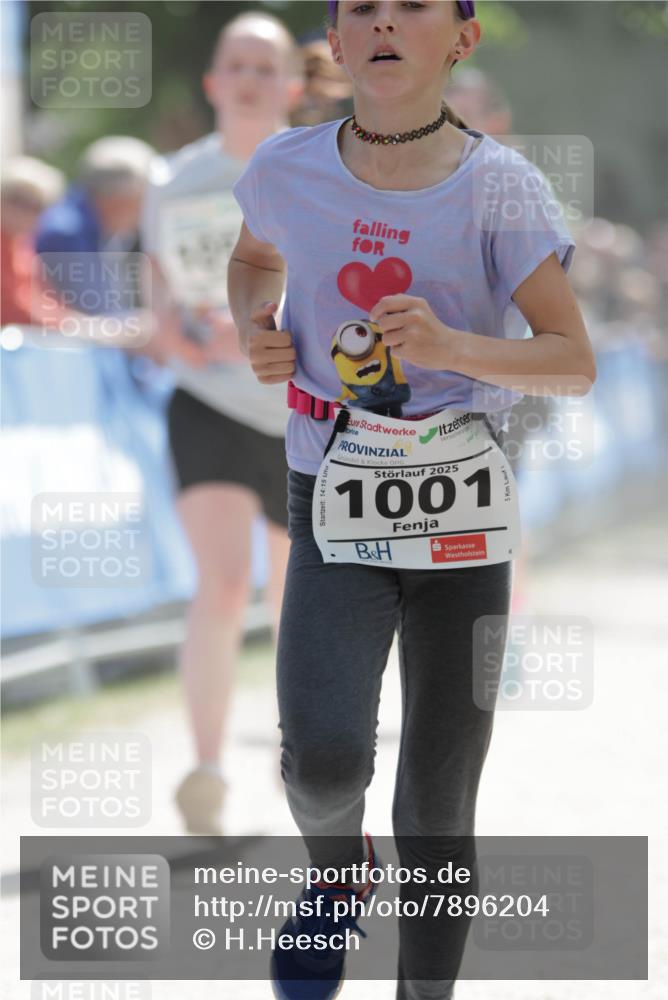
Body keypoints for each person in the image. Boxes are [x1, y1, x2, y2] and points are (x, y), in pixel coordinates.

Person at [228, 2, 596, 998]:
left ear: (460, 41)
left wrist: (449, 348)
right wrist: (252, 325)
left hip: (461, 521)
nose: (383, 25)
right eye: (361, 12)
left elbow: (571, 362)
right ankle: (336, 873)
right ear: (338, 43)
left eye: (411, 10)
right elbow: (253, 257)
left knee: (435, 800)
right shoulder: (283, 167)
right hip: (330, 499)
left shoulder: (502, 190)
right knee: (321, 762)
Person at [140, 11, 304, 835]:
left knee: (291, 596)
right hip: (207, 402)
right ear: (212, 83)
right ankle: (205, 769)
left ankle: (296, 761)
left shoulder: (318, 173)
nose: (248, 77)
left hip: (296, 411)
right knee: (222, 581)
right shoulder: (173, 181)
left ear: (294, 85)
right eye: (235, 63)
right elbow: (158, 301)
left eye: (265, 66)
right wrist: (174, 336)